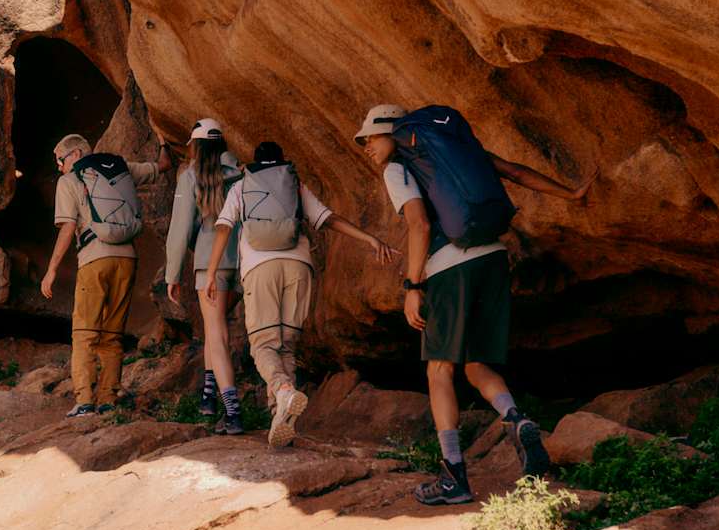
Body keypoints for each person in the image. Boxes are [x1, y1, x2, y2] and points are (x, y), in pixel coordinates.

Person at [355, 104, 598, 505]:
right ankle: (515, 419)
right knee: (476, 363)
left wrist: (413, 286)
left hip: (450, 267)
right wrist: (569, 192)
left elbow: (420, 224)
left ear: (391, 133)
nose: (366, 145)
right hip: (493, 258)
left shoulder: (398, 168)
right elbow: (514, 171)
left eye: (370, 137)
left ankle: (454, 476)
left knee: (438, 369)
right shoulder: (454, 150)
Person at [204, 141, 397, 447]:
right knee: (287, 347)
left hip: (260, 268)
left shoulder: (242, 187)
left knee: (263, 345)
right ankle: (281, 419)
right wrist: (369, 239)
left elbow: (224, 228)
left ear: (253, 164)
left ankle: (282, 391)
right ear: (282, 162)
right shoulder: (294, 185)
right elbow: (328, 219)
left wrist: (212, 271)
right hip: (299, 268)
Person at [42, 132, 173, 417]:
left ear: (76, 154)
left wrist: (51, 269)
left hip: (94, 259)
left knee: (85, 332)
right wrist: (164, 142)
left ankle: (85, 401)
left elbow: (67, 228)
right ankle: (107, 400)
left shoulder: (70, 181)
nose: (60, 166)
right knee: (112, 334)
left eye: (61, 160)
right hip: (127, 259)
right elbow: (162, 166)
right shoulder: (122, 167)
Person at [165, 118, 246, 434]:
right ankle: (209, 398)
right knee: (217, 330)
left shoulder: (190, 177)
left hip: (208, 264)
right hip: (239, 260)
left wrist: (173, 272)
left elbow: (180, 227)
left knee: (216, 333)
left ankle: (233, 410)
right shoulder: (238, 174)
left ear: (195, 146)